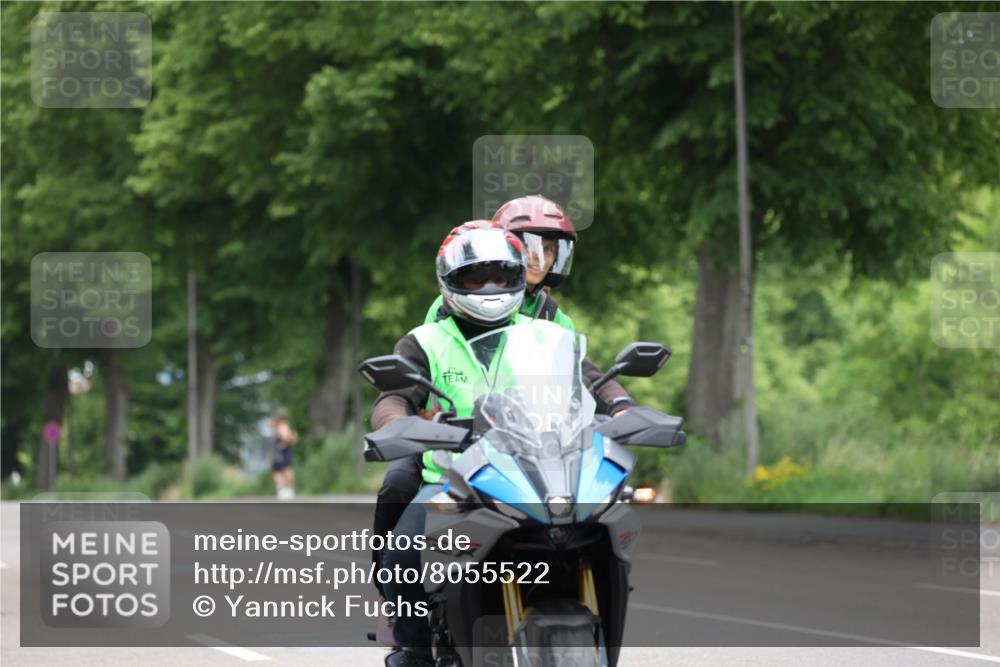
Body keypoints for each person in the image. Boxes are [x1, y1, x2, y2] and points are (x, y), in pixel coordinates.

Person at [373, 226, 534, 666]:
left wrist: (621, 407)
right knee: (400, 554)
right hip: (453, 480)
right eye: (475, 277)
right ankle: (414, 649)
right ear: (450, 282)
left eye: (501, 276)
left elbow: (592, 381)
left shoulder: (545, 336)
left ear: (518, 278)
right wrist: (396, 422)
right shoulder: (424, 341)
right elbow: (393, 395)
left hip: (536, 473)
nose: (490, 288)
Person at [270, 410, 298, 500]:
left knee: (284, 470)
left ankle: (287, 490)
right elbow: (293, 438)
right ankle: (284, 490)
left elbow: (289, 438)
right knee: (279, 470)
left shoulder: (283, 426)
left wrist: (283, 443)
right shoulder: (282, 426)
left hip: (282, 452)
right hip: (280, 452)